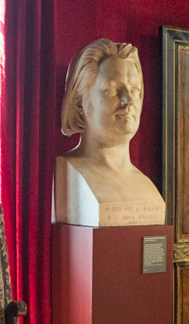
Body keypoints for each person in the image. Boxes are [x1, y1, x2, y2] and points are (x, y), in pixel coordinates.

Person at [56, 39, 165, 227]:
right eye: (113, 89)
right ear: (81, 103)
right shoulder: (67, 174)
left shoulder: (146, 187)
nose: (128, 100)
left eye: (135, 90)